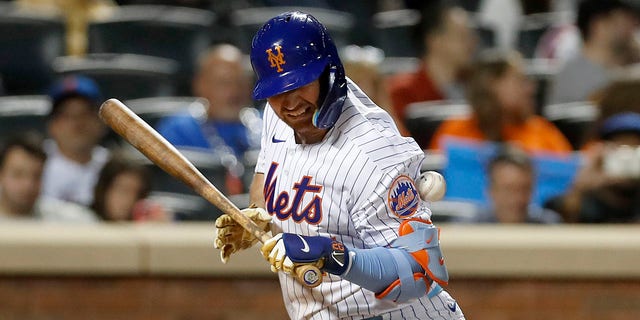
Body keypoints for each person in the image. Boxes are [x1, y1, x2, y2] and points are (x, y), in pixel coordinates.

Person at [214, 11, 464, 319]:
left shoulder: (373, 154)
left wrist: (332, 256)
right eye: (277, 91)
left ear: (328, 73)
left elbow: (418, 272)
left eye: (300, 84)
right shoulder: (276, 116)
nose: (289, 103)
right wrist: (258, 219)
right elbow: (264, 183)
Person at [430, 49, 572, 155]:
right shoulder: (454, 134)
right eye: (519, 81)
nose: (530, 89)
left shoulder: (543, 132)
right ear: (491, 85)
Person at [544, 77, 640, 223]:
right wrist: (580, 187)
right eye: (619, 150)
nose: (626, 158)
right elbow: (563, 226)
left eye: (634, 149)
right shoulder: (587, 199)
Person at [387, 1, 476, 138]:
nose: (471, 43)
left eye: (470, 36)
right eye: (461, 36)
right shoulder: (401, 92)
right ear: (434, 40)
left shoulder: (476, 89)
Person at [156, 44, 259, 159]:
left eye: (241, 82)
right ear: (200, 85)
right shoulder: (179, 129)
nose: (234, 91)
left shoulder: (268, 126)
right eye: (224, 83)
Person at [547, 0, 639, 104]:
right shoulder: (573, 75)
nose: (632, 27)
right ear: (599, 26)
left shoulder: (630, 63)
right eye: (621, 21)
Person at [41, 75, 110, 206]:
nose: (77, 124)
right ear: (52, 125)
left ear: (101, 123)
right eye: (67, 116)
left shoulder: (113, 168)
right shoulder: (33, 163)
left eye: (85, 114)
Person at [0, 133, 97, 222]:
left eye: (36, 176)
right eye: (18, 175)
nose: (28, 184)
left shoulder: (63, 218)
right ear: (1, 175)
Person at [458, 145, 561, 224]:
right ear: (491, 190)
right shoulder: (468, 229)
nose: (517, 199)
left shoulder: (549, 227)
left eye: (524, 189)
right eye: (509, 189)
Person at [91, 155, 169, 222]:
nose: (130, 200)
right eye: (123, 190)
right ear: (104, 190)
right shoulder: (83, 220)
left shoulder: (145, 228)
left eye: (138, 193)